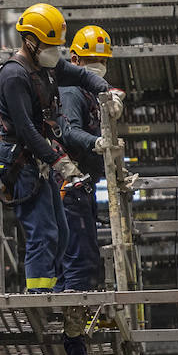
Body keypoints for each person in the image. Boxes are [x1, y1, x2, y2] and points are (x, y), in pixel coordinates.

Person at [0, 4, 123, 292]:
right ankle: (39, 297)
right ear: (30, 41)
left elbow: (82, 75)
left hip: (39, 158)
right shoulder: (15, 76)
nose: (56, 51)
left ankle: (51, 292)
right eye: (50, 45)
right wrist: (60, 163)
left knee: (61, 234)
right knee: (43, 233)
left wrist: (108, 92)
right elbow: (26, 130)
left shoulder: (46, 67)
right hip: (22, 160)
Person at [57, 25, 115, 291]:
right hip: (71, 189)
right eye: (92, 60)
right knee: (80, 261)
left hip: (82, 188)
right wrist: (98, 143)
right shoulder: (71, 91)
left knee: (79, 259)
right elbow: (69, 133)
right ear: (75, 60)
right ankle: (71, 328)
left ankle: (68, 322)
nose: (98, 66)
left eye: (102, 61)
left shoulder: (89, 93)